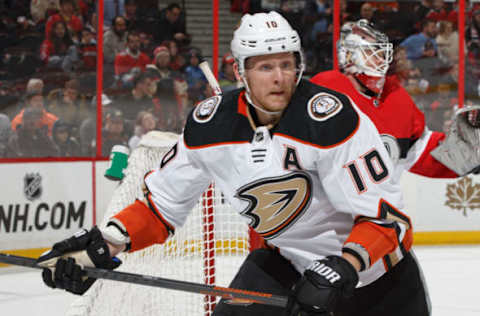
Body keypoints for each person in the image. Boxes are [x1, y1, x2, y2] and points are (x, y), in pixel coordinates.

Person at [38, 12, 425, 316]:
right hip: (287, 265)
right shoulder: (211, 126)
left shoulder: (331, 119)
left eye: (286, 65)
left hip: (378, 280)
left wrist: (343, 267)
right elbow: (160, 209)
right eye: (264, 67)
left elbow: (388, 222)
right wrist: (104, 244)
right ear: (240, 72)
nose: (279, 79)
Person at [311, 19, 480, 178]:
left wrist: (470, 149)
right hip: (325, 204)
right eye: (372, 52)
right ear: (349, 56)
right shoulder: (326, 86)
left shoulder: (396, 96)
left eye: (382, 52)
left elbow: (421, 153)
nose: (381, 59)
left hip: (376, 204)